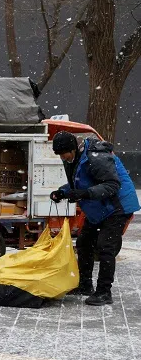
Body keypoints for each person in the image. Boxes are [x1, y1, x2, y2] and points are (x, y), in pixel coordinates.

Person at [49, 131, 139, 306]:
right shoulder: (72, 158)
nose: (62, 157)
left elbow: (112, 184)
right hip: (100, 206)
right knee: (84, 243)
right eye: (59, 154)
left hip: (118, 206)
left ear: (73, 148)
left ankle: (104, 292)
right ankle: (85, 285)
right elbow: (80, 182)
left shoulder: (96, 157)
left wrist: (86, 193)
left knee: (105, 247)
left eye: (63, 153)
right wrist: (63, 192)